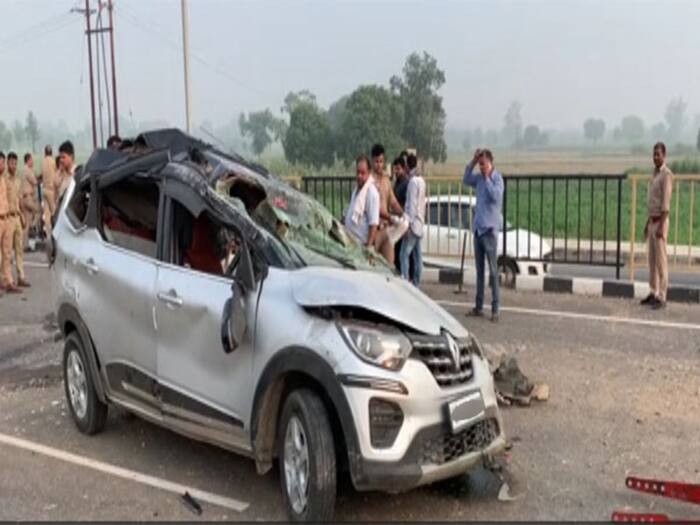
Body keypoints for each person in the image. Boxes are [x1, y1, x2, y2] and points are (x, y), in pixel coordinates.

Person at [463, 148, 504, 322]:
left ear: (491, 162)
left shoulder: (497, 179)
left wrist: (487, 177)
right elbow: (466, 179)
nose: (481, 168)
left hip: (489, 231)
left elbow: (496, 197)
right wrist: (472, 162)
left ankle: (495, 308)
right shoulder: (478, 178)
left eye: (483, 164)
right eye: (479, 165)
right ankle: (478, 306)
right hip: (478, 229)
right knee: (479, 271)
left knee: (493, 272)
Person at [640, 142, 673, 310]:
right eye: (654, 154)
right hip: (652, 221)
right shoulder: (654, 174)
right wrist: (648, 224)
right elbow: (653, 202)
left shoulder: (666, 175)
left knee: (661, 261)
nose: (655, 157)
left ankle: (662, 296)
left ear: (664, 156)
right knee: (652, 260)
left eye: (658, 154)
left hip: (660, 222)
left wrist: (661, 226)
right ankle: (653, 292)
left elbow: (665, 202)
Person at [370, 144, 404, 264]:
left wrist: (404, 215)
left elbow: (393, 201)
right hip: (373, 231)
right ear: (372, 161)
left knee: (389, 265)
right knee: (372, 265)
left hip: (386, 229)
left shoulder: (386, 180)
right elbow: (374, 209)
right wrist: (391, 218)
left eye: (381, 161)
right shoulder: (369, 181)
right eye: (376, 161)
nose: (379, 165)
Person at [400, 153, 426, 286]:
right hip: (420, 224)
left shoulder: (412, 182)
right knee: (417, 256)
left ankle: (406, 283)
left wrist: (407, 225)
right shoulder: (421, 180)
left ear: (406, 167)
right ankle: (416, 283)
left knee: (404, 254)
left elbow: (412, 206)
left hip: (413, 223)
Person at [343, 154, 379, 247]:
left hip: (361, 245)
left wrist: (368, 249)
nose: (359, 176)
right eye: (358, 172)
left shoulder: (371, 192)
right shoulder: (356, 189)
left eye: (363, 173)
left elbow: (373, 224)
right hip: (350, 242)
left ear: (369, 172)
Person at [5, 152, 29, 288]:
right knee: (7, 251)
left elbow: (20, 200)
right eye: (11, 163)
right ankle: (7, 279)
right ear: (8, 163)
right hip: (8, 218)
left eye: (15, 163)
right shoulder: (4, 180)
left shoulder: (18, 180)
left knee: (19, 250)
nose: (13, 166)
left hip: (17, 217)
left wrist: (23, 216)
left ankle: (21, 276)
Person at [21, 153, 40, 250]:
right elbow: (34, 181)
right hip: (28, 198)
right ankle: (34, 225)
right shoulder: (27, 170)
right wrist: (39, 178)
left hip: (23, 198)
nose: (32, 162)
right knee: (38, 210)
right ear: (27, 160)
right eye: (31, 160)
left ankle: (25, 244)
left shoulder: (23, 170)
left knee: (26, 223)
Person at [40, 145, 56, 238]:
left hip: (44, 189)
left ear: (45, 152)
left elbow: (41, 175)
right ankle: (55, 233)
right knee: (54, 212)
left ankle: (48, 234)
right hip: (51, 189)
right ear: (51, 152)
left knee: (46, 214)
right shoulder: (53, 161)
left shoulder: (43, 162)